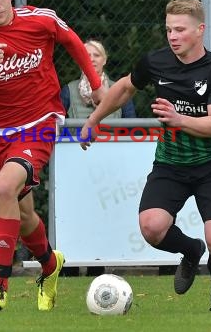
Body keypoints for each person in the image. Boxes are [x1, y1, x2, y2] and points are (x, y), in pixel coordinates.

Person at [0, 0, 105, 311]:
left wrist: (96, 86)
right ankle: (51, 265)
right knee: (21, 215)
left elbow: (74, 43)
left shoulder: (41, 20)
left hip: (39, 122)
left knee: (4, 188)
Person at [81, 0, 211, 312]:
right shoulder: (155, 62)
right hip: (171, 162)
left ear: (200, 30)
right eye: (168, 30)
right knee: (151, 228)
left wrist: (179, 119)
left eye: (180, 29)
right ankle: (192, 250)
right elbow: (125, 87)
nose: (173, 36)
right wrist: (93, 120)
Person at [60, 39, 135, 277]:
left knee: (103, 214)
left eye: (96, 55)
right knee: (75, 215)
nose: (91, 58)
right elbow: (58, 126)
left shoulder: (119, 89)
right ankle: (70, 262)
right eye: (86, 54)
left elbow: (132, 129)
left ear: (104, 60)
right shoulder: (68, 90)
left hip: (110, 168)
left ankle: (98, 264)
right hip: (76, 166)